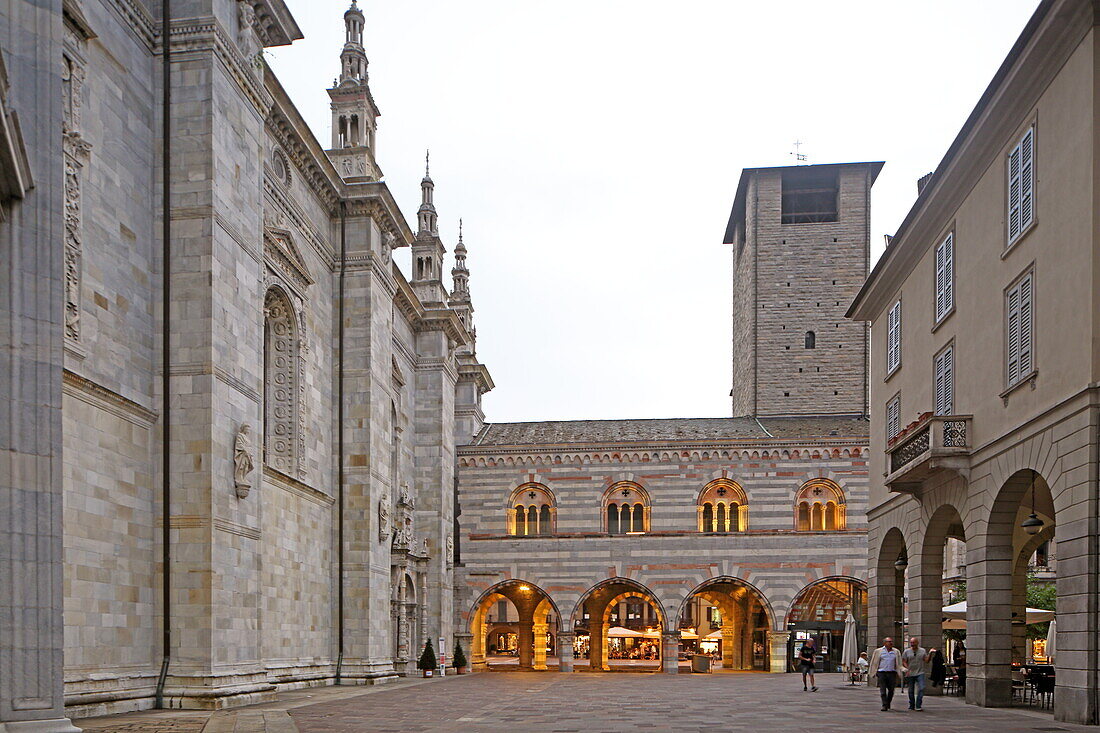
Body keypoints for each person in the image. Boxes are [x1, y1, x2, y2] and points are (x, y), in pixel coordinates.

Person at [867, 637, 904, 711]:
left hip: (892, 673)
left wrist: (902, 670)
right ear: (884, 643)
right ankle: (884, 705)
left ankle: (888, 703)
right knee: (883, 690)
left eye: (891, 641)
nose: (891, 643)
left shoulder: (896, 651)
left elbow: (899, 663)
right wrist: (873, 672)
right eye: (889, 641)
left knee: (891, 690)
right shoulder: (878, 651)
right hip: (882, 673)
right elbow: (874, 662)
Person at [901, 636, 934, 711]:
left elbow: (926, 660)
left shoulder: (922, 651)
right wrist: (907, 668)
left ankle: (918, 704)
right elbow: (904, 661)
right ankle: (912, 704)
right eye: (911, 643)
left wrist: (930, 653)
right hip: (910, 673)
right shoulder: (906, 651)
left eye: (914, 643)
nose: (912, 644)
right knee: (911, 690)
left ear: (917, 643)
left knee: (922, 687)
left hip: (920, 672)